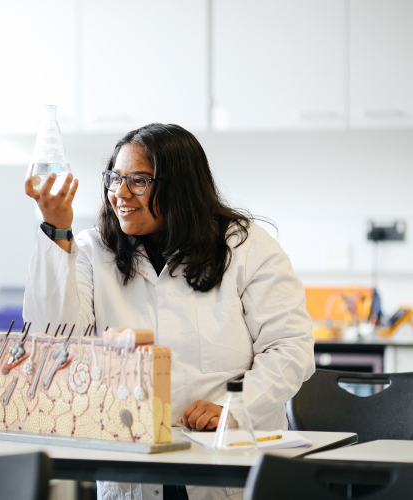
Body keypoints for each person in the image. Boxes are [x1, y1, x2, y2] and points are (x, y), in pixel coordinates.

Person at [23, 123, 315, 500]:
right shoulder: (94, 250)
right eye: (115, 178)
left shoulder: (246, 247)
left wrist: (233, 407)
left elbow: (291, 349)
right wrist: (56, 231)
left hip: (228, 463)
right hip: (133, 466)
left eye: (139, 181)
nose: (121, 194)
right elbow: (53, 338)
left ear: (180, 187)